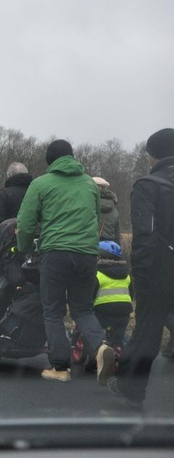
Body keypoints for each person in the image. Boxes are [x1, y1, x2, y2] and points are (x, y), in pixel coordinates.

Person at [17, 139, 115, 384]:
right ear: (72, 157)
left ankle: (60, 367)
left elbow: (26, 223)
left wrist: (24, 248)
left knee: (52, 310)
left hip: (56, 253)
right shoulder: (89, 185)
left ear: (50, 161)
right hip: (87, 254)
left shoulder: (41, 184)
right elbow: (94, 217)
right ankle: (101, 348)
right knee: (83, 308)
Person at [108, 128, 174, 406]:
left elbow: (145, 236)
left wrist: (141, 273)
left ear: (152, 154)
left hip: (160, 268)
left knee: (147, 328)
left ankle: (130, 386)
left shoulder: (149, 185)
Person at [0, 162, 32, 273]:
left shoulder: (4, 195)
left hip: (9, 251)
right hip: (33, 250)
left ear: (9, 176)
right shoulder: (36, 193)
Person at [93, 240, 132, 349]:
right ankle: (120, 347)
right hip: (124, 313)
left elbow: (90, 295)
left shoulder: (98, 274)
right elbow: (131, 295)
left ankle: (99, 347)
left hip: (102, 312)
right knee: (119, 338)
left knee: (94, 331)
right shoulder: (126, 275)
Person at [93, 177, 121, 244]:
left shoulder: (89, 205)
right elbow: (117, 234)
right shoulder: (114, 209)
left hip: (89, 245)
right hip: (108, 247)